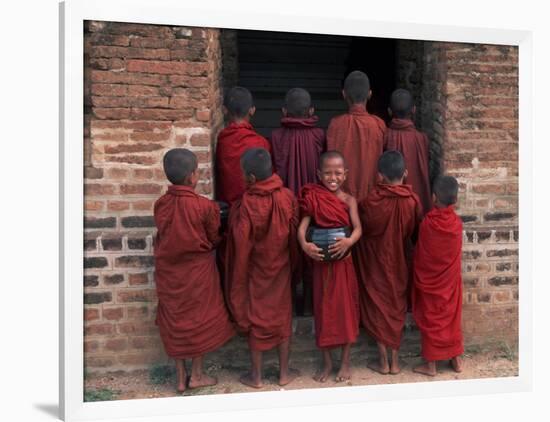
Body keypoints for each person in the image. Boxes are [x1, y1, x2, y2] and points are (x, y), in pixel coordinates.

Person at [154, 148, 235, 393]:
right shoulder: (205, 207)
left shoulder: (161, 205)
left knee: (176, 320)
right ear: (192, 176)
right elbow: (213, 237)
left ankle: (180, 378)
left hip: (169, 272)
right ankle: (197, 375)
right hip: (198, 272)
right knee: (198, 320)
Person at [225, 148, 299, 389]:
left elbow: (241, 244)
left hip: (256, 269)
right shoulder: (287, 196)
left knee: (257, 317)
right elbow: (293, 235)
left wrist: (238, 272)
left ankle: (256, 376)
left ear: (252, 179)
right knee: (282, 316)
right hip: (282, 265)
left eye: (243, 175)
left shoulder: (246, 204)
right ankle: (284, 373)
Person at [355, 151, 422, 375]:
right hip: (400, 260)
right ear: (405, 173)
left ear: (380, 176)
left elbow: (362, 229)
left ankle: (383, 361)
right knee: (395, 306)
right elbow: (414, 232)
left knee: (377, 305)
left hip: (375, 260)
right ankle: (395, 361)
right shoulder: (412, 202)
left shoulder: (371, 201)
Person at [298, 151, 362, 383]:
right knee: (324, 313)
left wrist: (349, 241)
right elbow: (302, 227)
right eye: (327, 173)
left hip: (343, 263)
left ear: (345, 174)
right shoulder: (314, 197)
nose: (332, 177)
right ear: (319, 174)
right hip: (322, 266)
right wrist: (304, 245)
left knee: (345, 313)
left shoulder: (349, 200)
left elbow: (358, 229)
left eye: (337, 173)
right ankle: (326, 363)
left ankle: (345, 363)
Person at [271, 87, 325, 316]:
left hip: (286, 206)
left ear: (284, 111)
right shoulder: (319, 135)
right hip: (314, 205)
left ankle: (292, 309)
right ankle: (311, 309)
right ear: (311, 110)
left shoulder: (275, 136)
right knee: (313, 259)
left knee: (289, 257)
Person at [412, 175, 464, 376]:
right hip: (449, 282)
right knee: (451, 318)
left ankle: (430, 365)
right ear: (456, 200)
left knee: (431, 316)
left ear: (433, 197)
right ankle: (456, 360)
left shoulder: (427, 223)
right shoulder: (457, 224)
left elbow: (422, 254)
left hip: (431, 282)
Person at [326, 70, 386, 201]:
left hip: (340, 201)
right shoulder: (379, 125)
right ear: (370, 94)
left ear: (343, 94)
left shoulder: (335, 124)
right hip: (371, 201)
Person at [216, 86, 272, 206]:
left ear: (224, 110)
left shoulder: (222, 140)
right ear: (252, 110)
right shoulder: (261, 143)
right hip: (255, 206)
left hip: (228, 207)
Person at [384, 88, 431, 215]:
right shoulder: (422, 139)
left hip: (390, 205)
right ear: (414, 110)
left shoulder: (385, 136)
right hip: (416, 202)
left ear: (389, 111)